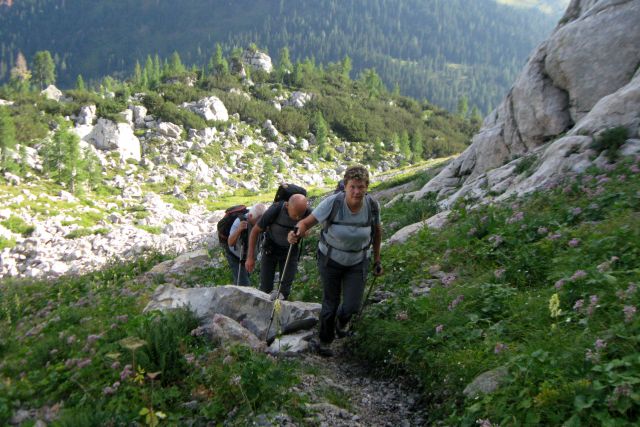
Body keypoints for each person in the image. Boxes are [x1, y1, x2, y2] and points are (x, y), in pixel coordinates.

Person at [292, 165, 383, 356]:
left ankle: (342, 321)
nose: (357, 191)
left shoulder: (372, 206)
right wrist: (297, 232)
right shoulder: (333, 203)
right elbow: (306, 222)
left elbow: (376, 232)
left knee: (352, 304)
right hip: (330, 259)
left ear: (367, 187)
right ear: (345, 186)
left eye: (361, 187)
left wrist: (376, 259)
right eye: (353, 187)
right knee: (330, 303)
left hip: (358, 260)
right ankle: (325, 341)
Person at [245, 193, 311, 300]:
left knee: (285, 289)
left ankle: (279, 312)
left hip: (290, 251)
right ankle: (264, 311)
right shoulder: (276, 209)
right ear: (287, 206)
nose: (298, 218)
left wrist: (302, 232)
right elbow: (255, 231)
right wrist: (250, 257)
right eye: (295, 215)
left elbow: (307, 232)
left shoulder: (308, 212)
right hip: (271, 249)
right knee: (265, 287)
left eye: (300, 215)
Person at [225, 203, 266, 286]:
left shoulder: (264, 220)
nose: (259, 224)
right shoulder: (239, 221)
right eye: (257, 221)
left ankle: (235, 292)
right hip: (235, 256)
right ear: (250, 216)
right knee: (244, 284)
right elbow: (230, 243)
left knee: (241, 280)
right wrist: (239, 230)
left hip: (249, 257)